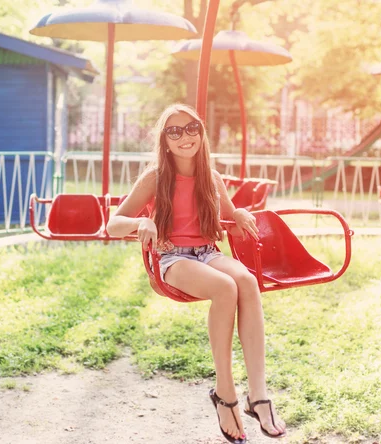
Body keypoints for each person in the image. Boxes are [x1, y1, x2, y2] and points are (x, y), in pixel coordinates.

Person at [107, 104, 286, 443]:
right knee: (223, 288)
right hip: (172, 259)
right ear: (165, 139)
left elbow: (231, 215)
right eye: (174, 131)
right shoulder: (155, 176)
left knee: (246, 281)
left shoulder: (211, 177)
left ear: (201, 132)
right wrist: (140, 221)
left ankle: (258, 395)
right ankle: (225, 391)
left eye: (191, 128)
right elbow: (113, 223)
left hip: (207, 252)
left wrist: (243, 213)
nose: (184, 137)